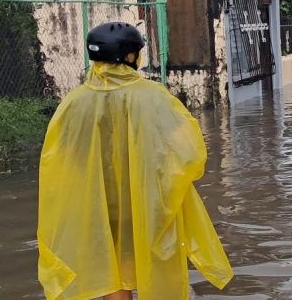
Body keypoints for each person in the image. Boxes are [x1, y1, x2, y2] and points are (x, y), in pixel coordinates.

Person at [37, 22, 232, 300]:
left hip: (97, 204)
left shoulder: (73, 101)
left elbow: (59, 157)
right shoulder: (153, 96)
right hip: (147, 200)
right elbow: (189, 151)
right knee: (155, 263)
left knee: (111, 269)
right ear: (131, 57)